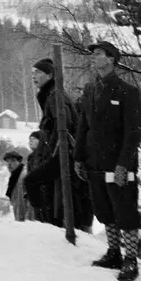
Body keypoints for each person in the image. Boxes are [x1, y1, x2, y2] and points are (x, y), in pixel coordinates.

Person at [75, 40, 141, 281]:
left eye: (99, 53)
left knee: (125, 212)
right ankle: (114, 252)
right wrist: (79, 157)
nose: (94, 57)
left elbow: (134, 131)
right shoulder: (90, 89)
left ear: (112, 59)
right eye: (93, 53)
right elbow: (83, 126)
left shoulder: (128, 91)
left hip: (119, 164)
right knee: (104, 210)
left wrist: (124, 163)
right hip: (95, 162)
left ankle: (131, 260)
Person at [23, 56, 93, 232]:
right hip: (62, 154)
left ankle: (42, 222)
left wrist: (52, 154)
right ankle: (47, 221)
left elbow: (64, 127)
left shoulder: (55, 96)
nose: (34, 76)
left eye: (38, 72)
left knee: (31, 181)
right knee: (53, 192)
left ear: (49, 75)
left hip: (63, 154)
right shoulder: (51, 94)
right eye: (32, 72)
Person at [3, 150, 31, 221]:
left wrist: (24, 219)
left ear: (19, 162)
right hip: (20, 218)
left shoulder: (23, 176)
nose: (9, 164)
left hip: (26, 221)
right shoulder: (13, 178)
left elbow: (26, 202)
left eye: (13, 161)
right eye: (8, 161)